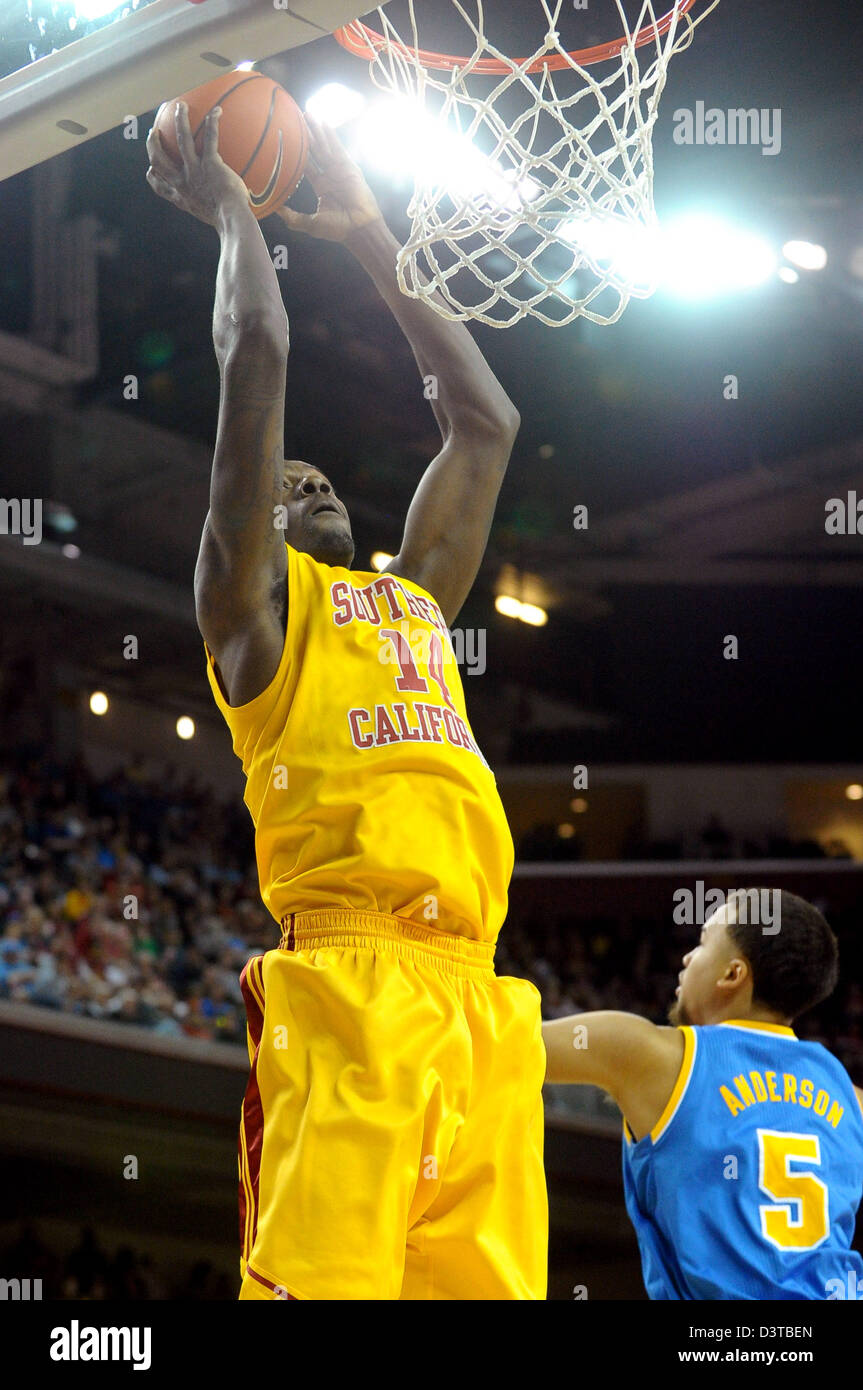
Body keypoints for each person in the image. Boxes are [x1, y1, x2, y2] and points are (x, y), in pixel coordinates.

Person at [145, 105, 546, 1300]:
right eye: (282, 481)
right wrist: (231, 206)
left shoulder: (415, 598)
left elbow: (487, 422)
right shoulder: (254, 626)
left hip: (479, 995)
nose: (304, 474)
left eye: (318, 472)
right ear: (238, 533)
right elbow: (254, 350)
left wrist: (374, 231)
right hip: (349, 983)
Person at [543, 889, 863, 1299]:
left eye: (703, 942)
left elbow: (494, 1043)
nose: (687, 958)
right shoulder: (849, 1097)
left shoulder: (654, 1056)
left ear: (732, 974)